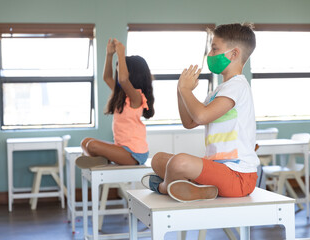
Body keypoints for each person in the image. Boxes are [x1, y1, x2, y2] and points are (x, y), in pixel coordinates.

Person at [142, 23, 260, 202]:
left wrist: (187, 90)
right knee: (158, 160)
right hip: (217, 170)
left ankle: (164, 187)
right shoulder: (219, 90)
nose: (210, 55)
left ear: (234, 54)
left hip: (238, 177)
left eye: (214, 49)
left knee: (179, 162)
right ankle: (200, 189)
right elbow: (189, 122)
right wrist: (180, 91)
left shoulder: (238, 86)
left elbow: (201, 116)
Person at [76, 38, 154, 168]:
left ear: (133, 74)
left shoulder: (137, 97)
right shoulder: (121, 94)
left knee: (92, 146)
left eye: (121, 70)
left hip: (134, 154)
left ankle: (100, 159)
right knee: (85, 142)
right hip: (121, 148)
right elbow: (107, 78)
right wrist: (109, 54)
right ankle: (100, 160)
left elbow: (123, 80)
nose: (118, 74)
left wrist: (121, 54)